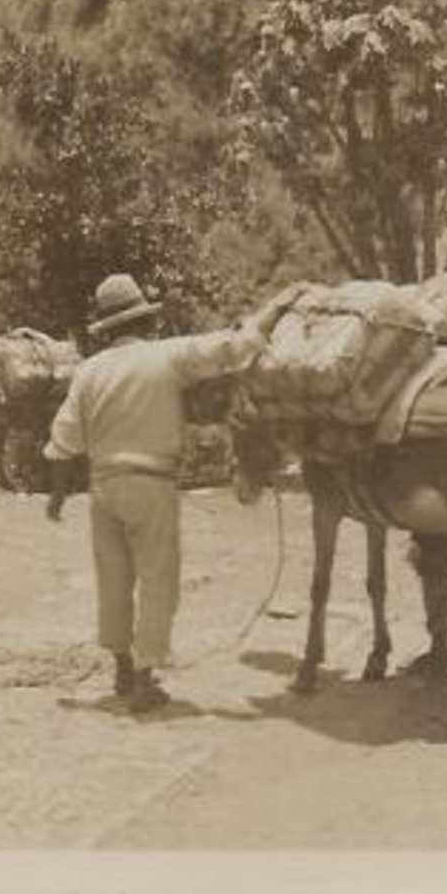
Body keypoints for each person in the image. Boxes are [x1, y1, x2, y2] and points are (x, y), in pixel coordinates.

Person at [44, 273, 285, 713]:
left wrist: (57, 498)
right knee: (157, 580)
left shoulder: (88, 372)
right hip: (151, 482)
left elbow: (64, 442)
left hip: (103, 487)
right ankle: (144, 677)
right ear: (143, 321)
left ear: (107, 327)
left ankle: (120, 664)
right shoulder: (164, 357)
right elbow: (226, 349)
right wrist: (268, 321)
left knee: (113, 578)